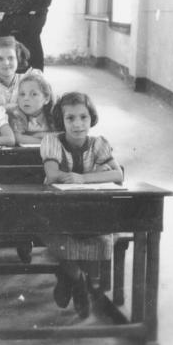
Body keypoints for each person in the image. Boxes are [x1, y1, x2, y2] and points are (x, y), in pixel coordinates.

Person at [41, 92, 124, 318]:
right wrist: (96, 173)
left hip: (91, 211)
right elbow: (52, 175)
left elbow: (118, 175)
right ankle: (77, 281)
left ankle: (68, 276)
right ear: (61, 120)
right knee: (58, 236)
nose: (78, 124)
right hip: (58, 210)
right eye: (70, 118)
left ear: (91, 118)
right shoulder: (52, 142)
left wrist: (83, 178)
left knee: (102, 237)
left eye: (83, 117)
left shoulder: (98, 144)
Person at [0, 36, 38, 109]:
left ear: (18, 59)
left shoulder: (27, 80)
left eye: (11, 58)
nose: (6, 63)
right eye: (0, 59)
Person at [8, 71, 55, 144]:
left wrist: (39, 135)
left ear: (46, 99)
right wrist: (44, 142)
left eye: (33, 94)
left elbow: (62, 135)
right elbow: (17, 138)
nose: (26, 98)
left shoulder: (52, 114)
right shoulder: (16, 114)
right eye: (22, 94)